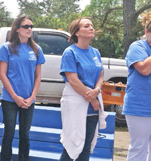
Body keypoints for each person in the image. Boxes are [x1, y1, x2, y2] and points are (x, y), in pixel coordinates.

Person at [0, 15, 45, 161]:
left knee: (25, 135)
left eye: (31, 26)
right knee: (9, 133)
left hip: (28, 101)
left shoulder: (36, 49)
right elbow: (3, 75)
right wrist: (15, 97)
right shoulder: (7, 48)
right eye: (26, 26)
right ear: (17, 29)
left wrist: (32, 98)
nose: (29, 29)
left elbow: (38, 76)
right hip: (10, 100)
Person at [59, 17, 108, 160]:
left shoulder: (95, 52)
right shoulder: (70, 52)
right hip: (76, 105)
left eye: (92, 25)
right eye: (86, 26)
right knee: (72, 146)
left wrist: (97, 91)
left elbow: (100, 76)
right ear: (77, 33)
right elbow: (73, 80)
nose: (91, 28)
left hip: (93, 106)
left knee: (86, 147)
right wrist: (92, 99)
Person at [123, 11, 151, 161]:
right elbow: (145, 70)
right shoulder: (137, 47)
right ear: (147, 32)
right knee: (138, 148)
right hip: (140, 106)